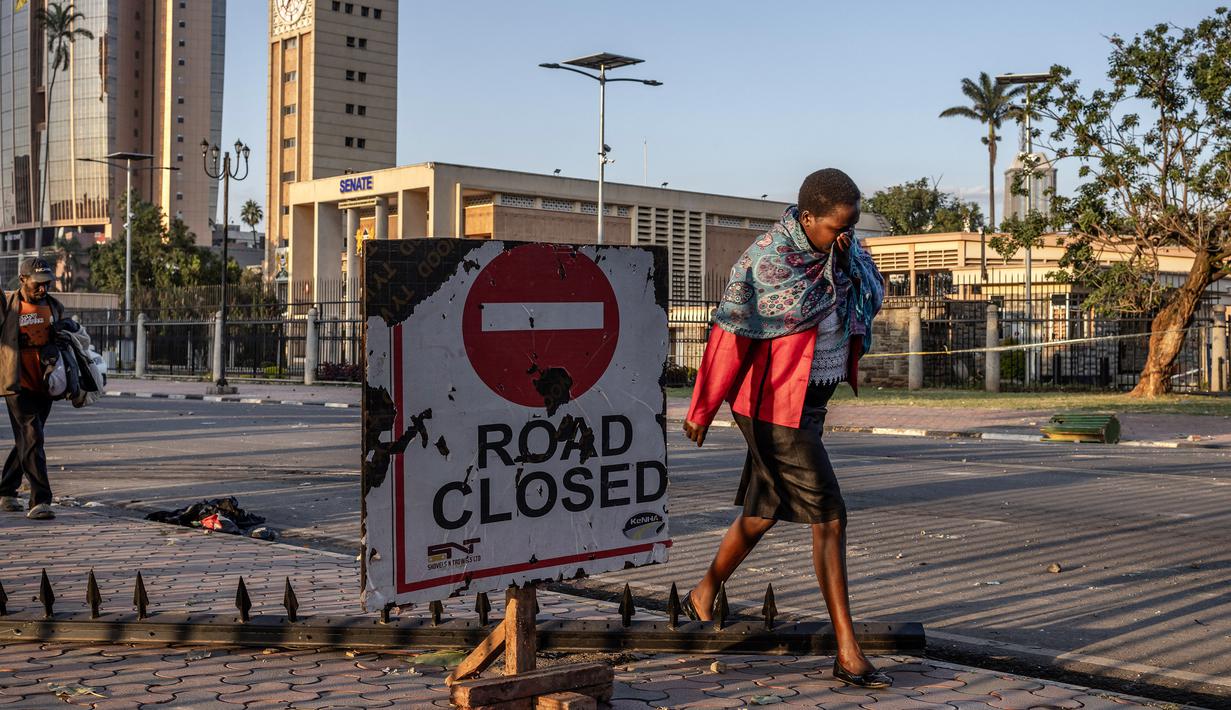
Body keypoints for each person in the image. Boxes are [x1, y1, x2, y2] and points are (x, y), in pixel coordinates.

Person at [682, 169, 889, 688]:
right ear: (808, 216)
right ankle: (847, 650)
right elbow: (730, 335)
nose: (847, 236)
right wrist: (702, 408)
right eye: (837, 227)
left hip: (809, 404)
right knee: (830, 518)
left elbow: (870, 292)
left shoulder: (844, 257)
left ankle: (703, 593)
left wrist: (844, 257)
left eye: (854, 226)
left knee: (764, 510)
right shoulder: (768, 261)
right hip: (772, 408)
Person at [0, 257, 68, 521]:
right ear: (22, 280)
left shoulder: (54, 306)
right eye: (37, 284)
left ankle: (6, 490)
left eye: (47, 283)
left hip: (45, 385)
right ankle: (40, 500)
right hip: (16, 384)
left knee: (28, 440)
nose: (43, 289)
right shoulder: (8, 306)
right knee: (33, 436)